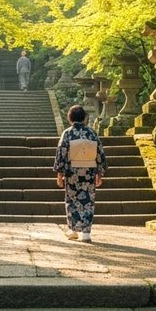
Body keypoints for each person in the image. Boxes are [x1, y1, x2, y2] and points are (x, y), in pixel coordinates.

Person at [54, 104, 106, 242]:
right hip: (89, 170)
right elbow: (100, 153)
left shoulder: (67, 133)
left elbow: (61, 153)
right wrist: (100, 173)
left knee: (72, 199)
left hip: (72, 171)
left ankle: (72, 230)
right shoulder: (92, 133)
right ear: (84, 118)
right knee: (88, 200)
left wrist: (60, 174)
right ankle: (86, 233)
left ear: (70, 118)